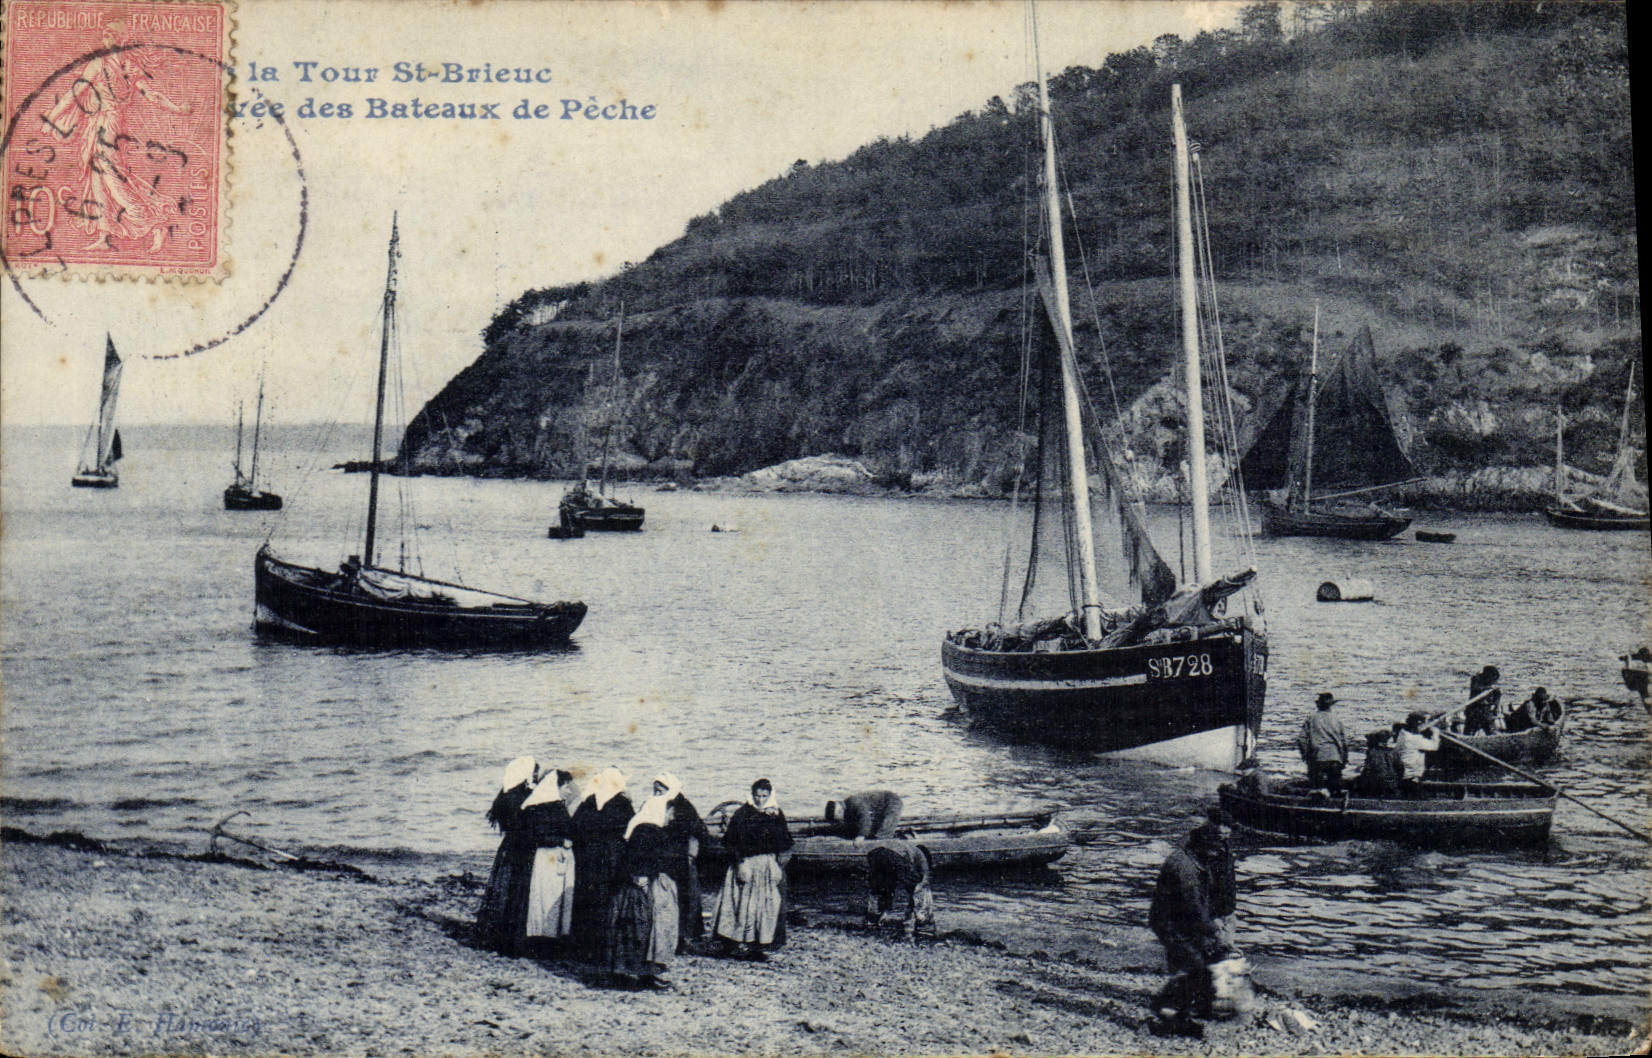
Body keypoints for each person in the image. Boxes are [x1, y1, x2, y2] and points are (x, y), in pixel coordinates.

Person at [1148, 807, 1236, 1038]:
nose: (1217, 856)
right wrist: (1214, 931)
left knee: (1201, 964)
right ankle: (1168, 1014)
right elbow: (1194, 907)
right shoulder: (1186, 869)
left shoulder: (1197, 858)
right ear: (1204, 847)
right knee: (1194, 967)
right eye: (1214, 851)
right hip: (1170, 924)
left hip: (1181, 920)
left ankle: (1193, 1008)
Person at [710, 778, 792, 960]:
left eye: (764, 796)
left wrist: (779, 860)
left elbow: (785, 841)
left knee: (764, 907)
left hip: (766, 865)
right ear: (752, 794)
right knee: (737, 904)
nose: (760, 799)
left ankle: (757, 948)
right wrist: (740, 863)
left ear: (770, 795)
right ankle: (729, 944)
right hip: (745, 863)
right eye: (757, 795)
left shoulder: (776, 813)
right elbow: (730, 842)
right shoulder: (742, 814)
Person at [605, 793, 680, 990]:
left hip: (645, 886)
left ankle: (642, 973)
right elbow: (638, 860)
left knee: (643, 931)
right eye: (670, 813)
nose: (671, 817)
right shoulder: (646, 831)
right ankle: (636, 975)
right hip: (641, 891)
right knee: (641, 930)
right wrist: (643, 877)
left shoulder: (647, 829)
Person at [475, 757, 538, 955]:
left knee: (502, 890)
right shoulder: (523, 797)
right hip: (522, 848)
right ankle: (512, 939)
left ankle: (494, 933)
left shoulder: (504, 795)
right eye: (533, 772)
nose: (535, 776)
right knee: (518, 891)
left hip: (508, 846)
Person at [570, 767, 634, 959]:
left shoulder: (590, 801)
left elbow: (575, 828)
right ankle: (604, 946)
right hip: (612, 856)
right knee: (608, 897)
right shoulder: (622, 803)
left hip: (588, 856)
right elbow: (631, 830)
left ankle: (582, 945)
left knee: (586, 896)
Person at [520, 768, 580, 951]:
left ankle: (544, 936)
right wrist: (562, 841)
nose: (568, 791)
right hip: (549, 856)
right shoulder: (550, 808)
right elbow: (538, 835)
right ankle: (546, 938)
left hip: (548, 857)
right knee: (550, 896)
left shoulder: (537, 806)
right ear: (555, 787)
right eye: (565, 787)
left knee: (547, 897)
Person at [655, 773, 711, 951]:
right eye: (655, 790)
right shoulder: (654, 805)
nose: (656, 794)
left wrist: (691, 852)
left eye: (660, 790)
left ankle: (682, 938)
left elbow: (699, 831)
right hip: (663, 857)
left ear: (670, 789)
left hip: (680, 859)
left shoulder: (684, 807)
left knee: (684, 898)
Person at [865, 841, 934, 939]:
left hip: (874, 854)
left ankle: (873, 920)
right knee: (919, 884)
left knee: (881, 889)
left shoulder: (905, 849)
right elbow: (924, 879)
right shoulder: (921, 854)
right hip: (891, 855)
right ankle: (924, 923)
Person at [1295, 692, 1351, 792]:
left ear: (1318, 704)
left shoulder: (1311, 718)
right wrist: (1344, 759)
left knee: (1316, 789)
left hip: (1317, 758)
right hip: (1335, 758)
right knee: (1335, 789)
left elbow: (1301, 739)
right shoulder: (1337, 719)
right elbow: (1344, 743)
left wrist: (1306, 755)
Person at [824, 790, 904, 841]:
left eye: (838, 819)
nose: (840, 820)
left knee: (884, 834)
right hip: (879, 811)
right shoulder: (848, 807)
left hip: (892, 802)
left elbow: (865, 817)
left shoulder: (854, 802)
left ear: (839, 811)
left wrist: (861, 835)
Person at [1395, 712, 1441, 795]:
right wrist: (1435, 733)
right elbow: (1434, 746)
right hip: (1410, 778)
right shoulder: (1413, 739)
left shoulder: (1402, 734)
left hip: (1404, 774)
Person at [1354, 730, 1403, 798]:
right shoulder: (1394, 752)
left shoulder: (1372, 752)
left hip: (1377, 784)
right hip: (1392, 783)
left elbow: (1367, 771)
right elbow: (1400, 768)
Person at [1464, 666, 1502, 735]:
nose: (1493, 681)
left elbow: (1498, 695)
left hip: (1486, 710)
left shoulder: (1493, 685)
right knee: (1470, 729)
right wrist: (1489, 688)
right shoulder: (1476, 679)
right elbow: (1476, 688)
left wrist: (1496, 707)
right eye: (1492, 679)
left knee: (1490, 729)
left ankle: (1492, 736)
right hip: (1474, 709)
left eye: (1494, 680)